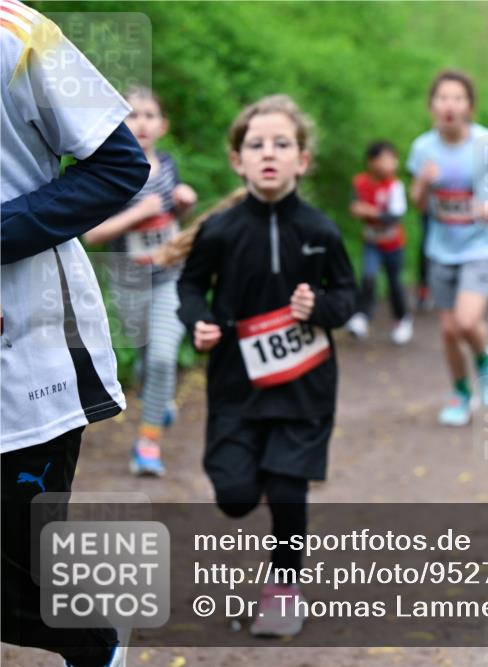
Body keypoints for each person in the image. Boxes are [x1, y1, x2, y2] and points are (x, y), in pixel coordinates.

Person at [1, 1, 150, 664]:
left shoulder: (19, 34)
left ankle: (95, 647)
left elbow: (119, 167)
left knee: (23, 573)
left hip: (27, 358)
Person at [176, 94, 357, 638]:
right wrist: (199, 322)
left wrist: (318, 307)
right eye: (256, 145)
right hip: (236, 383)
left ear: (303, 159)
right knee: (234, 498)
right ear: (238, 160)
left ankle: (283, 589)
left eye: (282, 144)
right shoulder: (220, 230)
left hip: (306, 383)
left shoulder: (321, 231)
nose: (269, 153)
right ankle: (255, 476)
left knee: (286, 491)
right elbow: (190, 287)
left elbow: (347, 296)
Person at [83, 86, 198, 476]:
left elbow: (170, 220)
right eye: (133, 115)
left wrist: (183, 205)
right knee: (148, 362)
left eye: (150, 115)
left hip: (170, 279)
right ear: (119, 123)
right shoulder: (112, 174)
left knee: (163, 357)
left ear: (163, 125)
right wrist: (138, 212)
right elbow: (92, 235)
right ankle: (159, 400)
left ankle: (148, 444)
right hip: (128, 284)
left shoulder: (167, 166)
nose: (142, 123)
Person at [407, 70, 488, 426]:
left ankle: (485, 360)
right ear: (432, 106)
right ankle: (460, 393)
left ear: (469, 105)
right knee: (449, 330)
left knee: (467, 322)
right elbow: (418, 204)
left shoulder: (487, 141)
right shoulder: (423, 148)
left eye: (457, 98)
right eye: (442, 98)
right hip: (441, 248)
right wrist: (424, 182)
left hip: (481, 246)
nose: (449, 105)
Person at [345, 140, 413, 344]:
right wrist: (368, 212)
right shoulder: (360, 182)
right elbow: (354, 207)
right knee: (368, 276)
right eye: (385, 159)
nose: (391, 164)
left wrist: (370, 211)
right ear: (371, 162)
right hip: (371, 243)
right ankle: (361, 316)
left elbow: (395, 216)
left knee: (394, 283)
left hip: (393, 244)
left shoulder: (395, 186)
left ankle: (402, 319)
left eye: (393, 159)